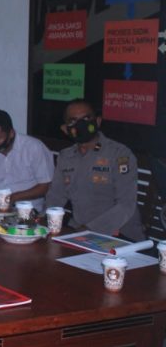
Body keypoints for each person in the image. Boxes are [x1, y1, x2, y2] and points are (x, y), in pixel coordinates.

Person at [45, 99, 144, 241]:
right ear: (65, 129)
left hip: (118, 235)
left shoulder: (119, 154)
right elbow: (56, 195)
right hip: (78, 232)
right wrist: (46, 221)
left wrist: (89, 230)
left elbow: (126, 205)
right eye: (73, 121)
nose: (81, 125)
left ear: (97, 121)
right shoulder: (66, 156)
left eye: (86, 118)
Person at [0, 109, 54, 211]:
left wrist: (13, 198)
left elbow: (45, 186)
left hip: (27, 210)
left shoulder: (34, 148)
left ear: (11, 133)